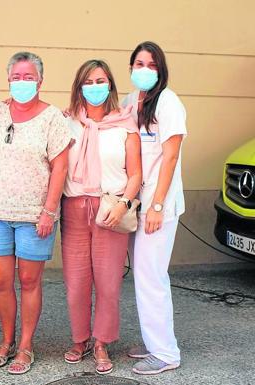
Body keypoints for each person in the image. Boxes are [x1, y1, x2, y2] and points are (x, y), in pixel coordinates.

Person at [0, 52, 71, 375]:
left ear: (40, 81)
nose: (22, 82)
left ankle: (26, 345)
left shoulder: (52, 119)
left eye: (28, 76)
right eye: (16, 76)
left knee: (29, 280)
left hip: (36, 217)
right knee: (0, 280)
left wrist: (49, 210)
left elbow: (60, 166)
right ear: (8, 80)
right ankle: (6, 341)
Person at [61, 60, 142, 375]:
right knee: (76, 282)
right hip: (75, 207)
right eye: (89, 81)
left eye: (101, 81)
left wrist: (124, 203)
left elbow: (135, 174)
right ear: (79, 86)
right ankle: (80, 339)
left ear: (110, 85)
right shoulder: (66, 122)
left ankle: (102, 341)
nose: (95, 87)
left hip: (111, 207)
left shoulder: (125, 125)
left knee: (108, 282)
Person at [122, 41, 187, 375]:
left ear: (160, 69)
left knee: (152, 276)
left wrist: (158, 204)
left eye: (151, 64)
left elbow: (171, 156)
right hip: (137, 202)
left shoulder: (168, 101)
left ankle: (165, 353)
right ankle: (153, 341)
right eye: (138, 63)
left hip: (157, 205)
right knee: (143, 275)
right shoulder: (132, 101)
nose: (144, 70)